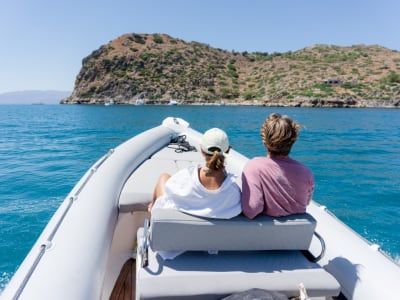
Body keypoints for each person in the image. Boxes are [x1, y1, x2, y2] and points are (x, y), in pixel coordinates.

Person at [148, 127, 241, 219]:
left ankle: (151, 210)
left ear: (201, 150)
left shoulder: (185, 180)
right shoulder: (234, 193)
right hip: (215, 233)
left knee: (163, 177)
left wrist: (154, 206)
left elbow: (166, 201)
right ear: (228, 150)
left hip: (176, 231)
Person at [241, 113, 314, 219]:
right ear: (294, 139)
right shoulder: (306, 172)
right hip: (297, 234)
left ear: (264, 139)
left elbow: (251, 211)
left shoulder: (254, 167)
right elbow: (305, 203)